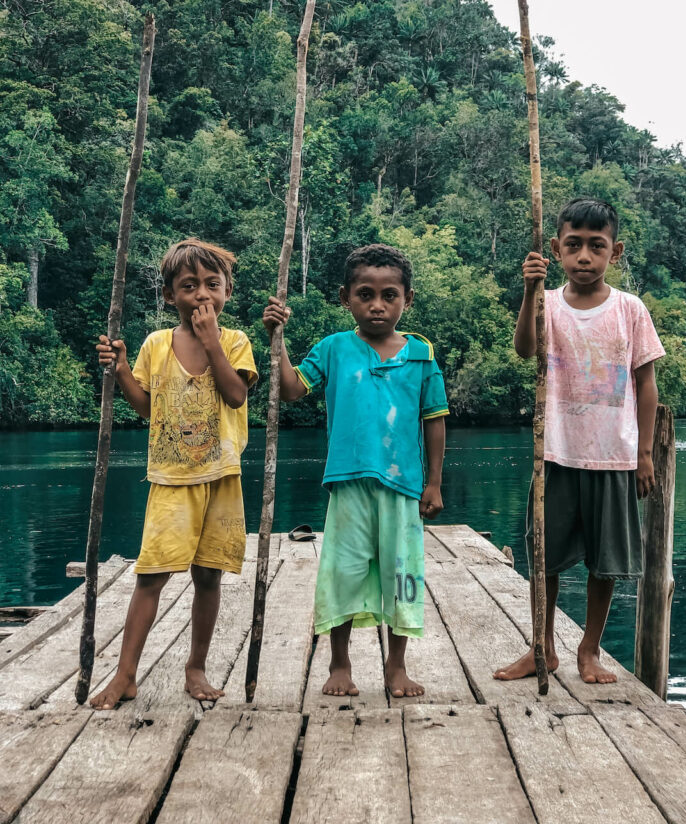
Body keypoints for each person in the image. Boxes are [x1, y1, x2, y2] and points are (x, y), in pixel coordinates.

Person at [263, 243, 448, 698]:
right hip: (348, 485)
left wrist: (434, 483)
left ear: (408, 299)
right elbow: (290, 390)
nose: (378, 305)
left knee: (402, 575)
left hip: (403, 486)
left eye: (390, 295)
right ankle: (340, 663)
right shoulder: (333, 349)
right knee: (342, 573)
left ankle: (396, 666)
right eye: (365, 294)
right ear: (345, 298)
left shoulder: (421, 354)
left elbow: (434, 420)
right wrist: (277, 339)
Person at [495, 198, 665, 685]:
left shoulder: (629, 309)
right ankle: (541, 646)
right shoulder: (547, 302)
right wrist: (530, 291)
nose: (585, 256)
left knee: (605, 561)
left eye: (597, 246)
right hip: (556, 452)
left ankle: (589, 650)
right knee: (545, 553)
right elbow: (526, 348)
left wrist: (644, 454)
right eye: (574, 246)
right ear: (556, 249)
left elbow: (645, 383)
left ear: (615, 251)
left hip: (612, 455)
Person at [89, 239, 257, 709]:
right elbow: (148, 408)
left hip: (221, 477)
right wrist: (122, 371)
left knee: (208, 577)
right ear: (169, 296)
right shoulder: (156, 345)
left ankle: (196, 667)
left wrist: (211, 341)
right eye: (189, 286)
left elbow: (236, 396)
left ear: (227, 291)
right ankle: (125, 674)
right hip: (170, 480)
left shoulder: (235, 342)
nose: (202, 295)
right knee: (151, 576)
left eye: (212, 285)